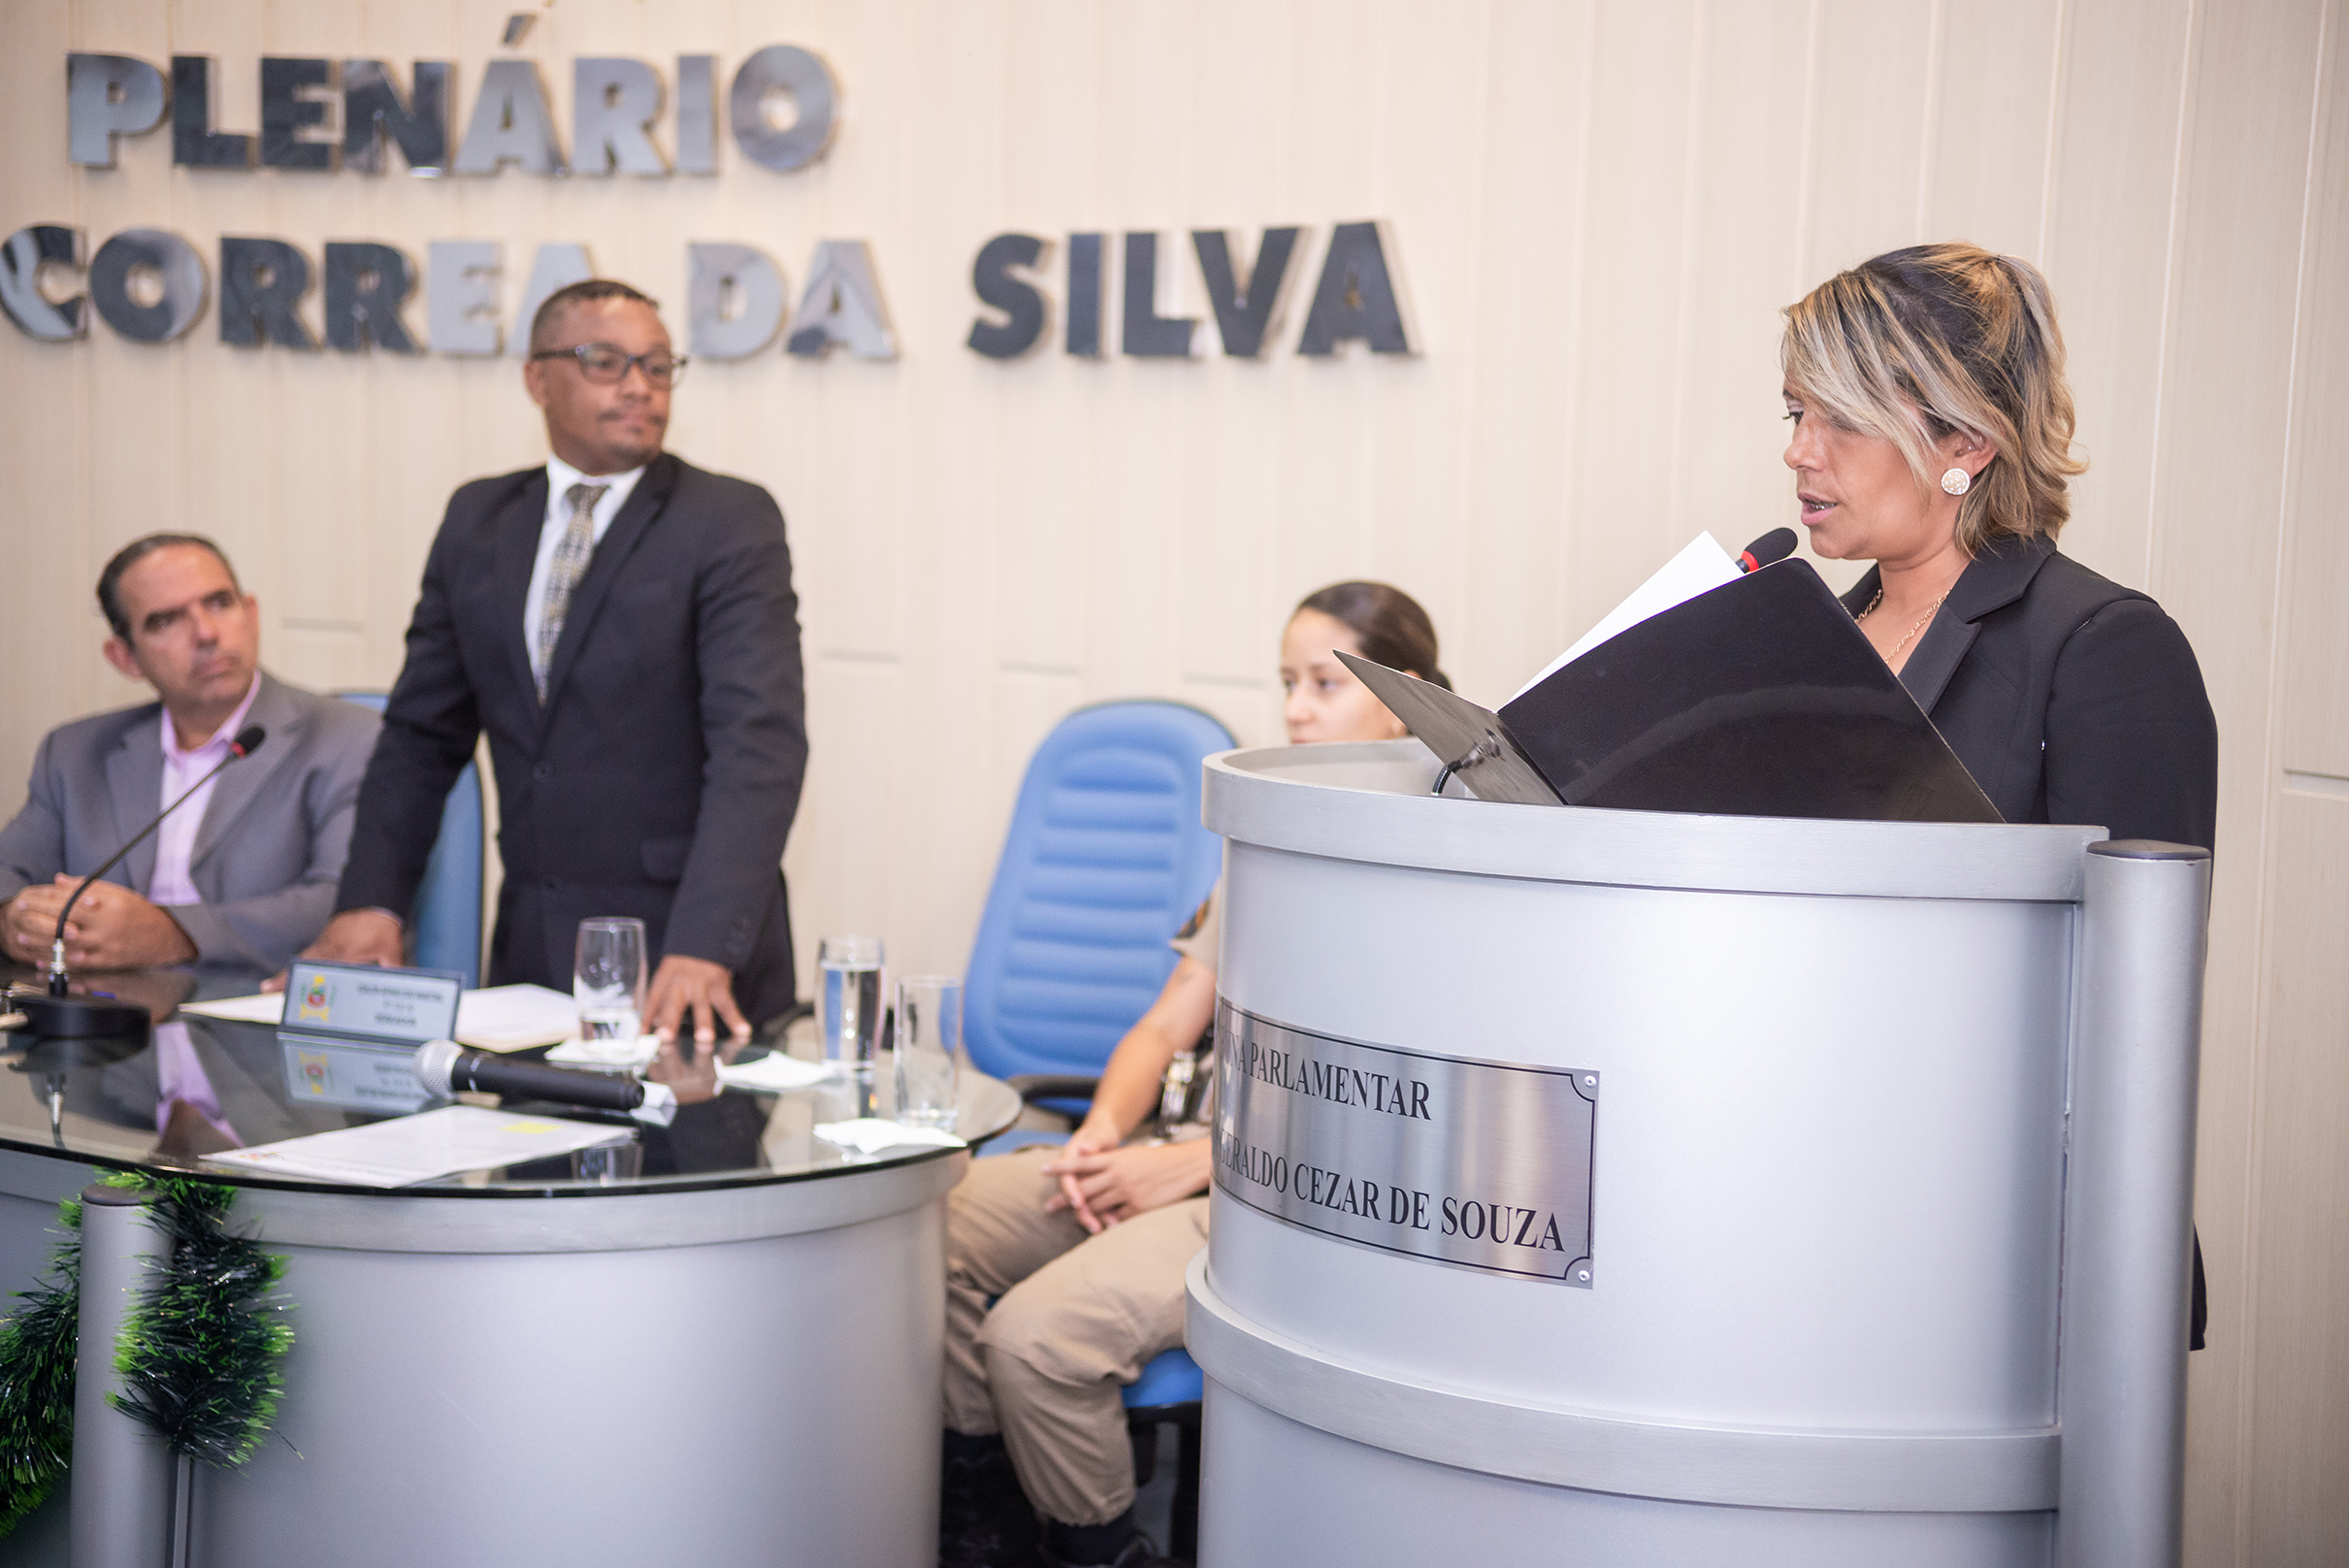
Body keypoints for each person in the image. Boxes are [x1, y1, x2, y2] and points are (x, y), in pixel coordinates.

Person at [940, 583, 1446, 1568]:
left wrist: (1185, 1166)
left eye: (1324, 685)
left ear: (1402, 695)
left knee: (1034, 1338)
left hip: (1271, 1193)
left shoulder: (1435, 867)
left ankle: (1095, 1548)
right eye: (1286, 683)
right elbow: (1165, 1024)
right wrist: (1102, 1133)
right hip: (1168, 1150)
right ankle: (983, 1522)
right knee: (927, 1233)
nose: (1295, 710)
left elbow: (1382, 1117)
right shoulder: (1271, 836)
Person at [1780, 241, 2218, 1346]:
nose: (1798, 452)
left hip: (2012, 1222)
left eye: (1838, 420)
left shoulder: (2104, 646)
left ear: (1964, 442)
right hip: (1809, 1182)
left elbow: (2130, 997)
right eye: (1793, 412)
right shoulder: (1808, 635)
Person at [301, 279, 808, 1043]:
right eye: (606, 362)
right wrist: (373, 901)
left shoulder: (727, 521)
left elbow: (757, 749)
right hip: (533, 952)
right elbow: (420, 738)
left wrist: (705, 944)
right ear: (537, 378)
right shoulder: (478, 520)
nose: (638, 386)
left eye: (658, 365)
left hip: (685, 961)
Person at [0, 534, 380, 974]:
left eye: (219, 603)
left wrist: (174, 933)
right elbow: (8, 873)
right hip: (103, 1004)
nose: (206, 634)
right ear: (125, 658)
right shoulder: (74, 753)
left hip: (250, 1006)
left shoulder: (349, 738)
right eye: (166, 621)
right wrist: (13, 921)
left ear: (252, 615)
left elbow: (345, 904)